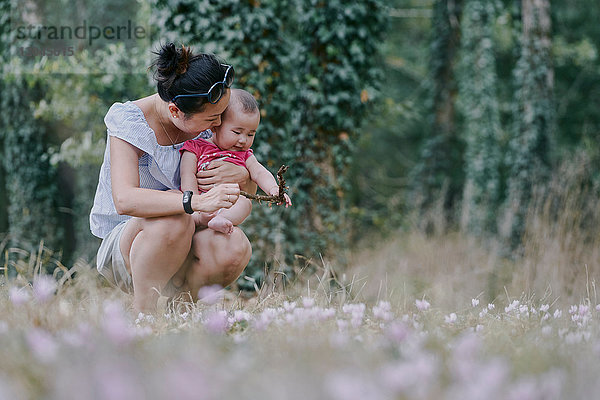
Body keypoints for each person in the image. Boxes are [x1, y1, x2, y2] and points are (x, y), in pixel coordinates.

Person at [90, 43, 254, 313]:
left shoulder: (204, 118)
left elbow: (239, 189)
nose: (218, 126)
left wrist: (243, 174)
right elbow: (125, 199)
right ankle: (145, 314)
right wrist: (193, 202)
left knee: (234, 245)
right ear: (176, 111)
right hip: (130, 243)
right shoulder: (130, 122)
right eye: (213, 119)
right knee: (173, 215)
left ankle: (181, 312)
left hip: (189, 234)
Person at [179, 88, 292, 236]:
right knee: (175, 199)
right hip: (198, 204)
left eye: (250, 134)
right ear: (215, 126)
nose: (243, 140)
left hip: (226, 205)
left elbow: (259, 172)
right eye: (237, 132)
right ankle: (199, 220)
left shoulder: (244, 155)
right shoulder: (195, 147)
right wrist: (196, 202)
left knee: (245, 203)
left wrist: (274, 189)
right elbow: (187, 175)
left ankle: (220, 220)